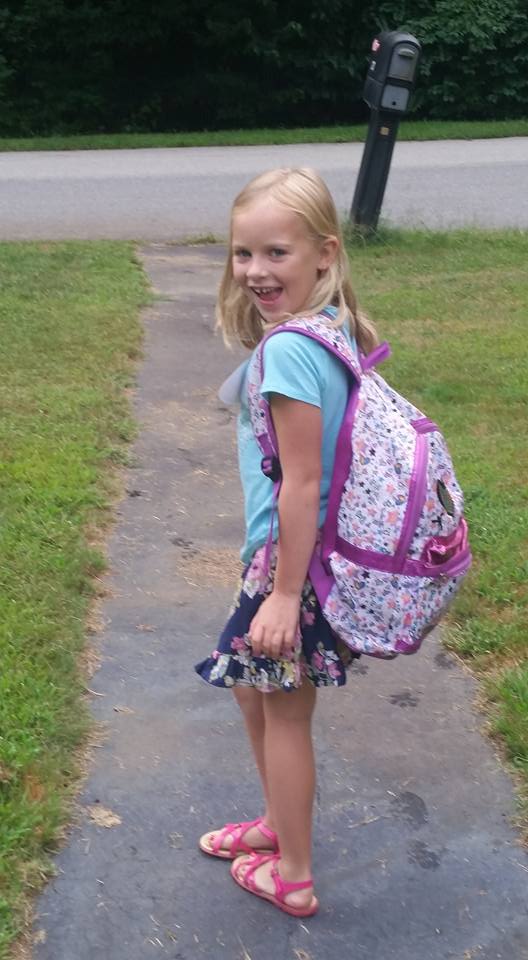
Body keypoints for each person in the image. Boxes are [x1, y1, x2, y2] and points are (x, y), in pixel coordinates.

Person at [194, 167, 378, 917]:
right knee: (254, 689)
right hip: (286, 558)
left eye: (276, 253)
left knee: (284, 709)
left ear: (324, 253)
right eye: (243, 254)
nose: (256, 272)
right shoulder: (326, 328)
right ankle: (279, 821)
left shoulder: (293, 352)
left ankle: (293, 873)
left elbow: (301, 482)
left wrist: (282, 593)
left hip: (291, 565)